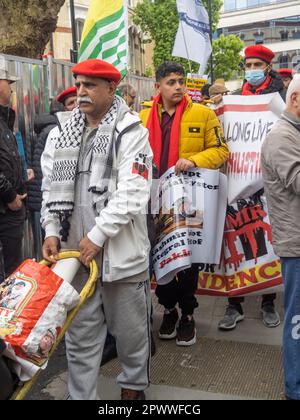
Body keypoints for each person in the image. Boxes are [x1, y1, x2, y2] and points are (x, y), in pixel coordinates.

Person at [41, 59, 153, 400]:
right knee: (79, 338)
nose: (82, 91)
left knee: (131, 335)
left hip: (120, 258)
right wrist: (50, 230)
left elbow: (133, 192)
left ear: (111, 89)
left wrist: (98, 235)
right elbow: (49, 188)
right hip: (75, 258)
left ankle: (133, 387)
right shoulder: (60, 133)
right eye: (79, 84)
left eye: (91, 85)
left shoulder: (133, 132)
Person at [140, 61, 229, 346]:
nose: (178, 87)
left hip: (189, 200)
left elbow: (221, 151)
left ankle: (188, 315)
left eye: (181, 81)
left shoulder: (203, 114)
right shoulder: (142, 117)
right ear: (158, 87)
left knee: (187, 261)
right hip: (153, 198)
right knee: (159, 257)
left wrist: (193, 160)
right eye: (171, 82)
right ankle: (168, 309)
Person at [218, 44, 282, 331]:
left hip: (268, 183)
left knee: (267, 241)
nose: (252, 70)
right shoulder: (234, 99)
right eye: (249, 66)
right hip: (238, 183)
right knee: (235, 241)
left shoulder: (279, 98)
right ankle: (235, 304)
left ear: (267, 67)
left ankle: (268, 301)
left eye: (257, 65)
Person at [261, 75, 300, 400]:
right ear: (296, 99)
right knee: (298, 322)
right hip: (297, 245)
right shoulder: (281, 137)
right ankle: (295, 389)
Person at [27, 87, 77, 258]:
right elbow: (45, 176)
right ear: (64, 108)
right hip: (58, 214)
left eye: (78, 100)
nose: (76, 105)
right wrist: (51, 228)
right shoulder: (53, 134)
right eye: (71, 103)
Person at [0, 62, 27, 277]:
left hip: (11, 211)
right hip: (6, 207)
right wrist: (9, 195)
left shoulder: (5, 118)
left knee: (13, 272)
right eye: (9, 84)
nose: (12, 89)